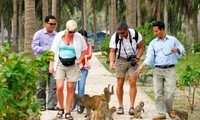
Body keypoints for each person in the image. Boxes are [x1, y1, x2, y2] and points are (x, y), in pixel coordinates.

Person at [136, 21, 185, 120]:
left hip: (170, 69)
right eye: (154, 31)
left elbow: (182, 48)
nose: (155, 33)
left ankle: (170, 110)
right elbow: (149, 58)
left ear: (162, 30)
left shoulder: (172, 39)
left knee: (170, 93)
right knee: (158, 93)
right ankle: (161, 113)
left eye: (156, 31)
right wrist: (142, 66)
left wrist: (178, 49)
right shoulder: (153, 43)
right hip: (157, 70)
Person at [49, 20, 87, 120]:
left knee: (70, 88)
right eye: (70, 32)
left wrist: (80, 60)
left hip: (73, 64)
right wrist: (51, 65)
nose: (72, 34)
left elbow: (84, 49)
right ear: (66, 30)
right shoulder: (59, 36)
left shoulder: (78, 37)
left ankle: (68, 111)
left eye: (73, 32)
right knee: (59, 87)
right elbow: (52, 51)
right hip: (60, 63)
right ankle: (61, 108)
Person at [109, 21, 144, 115]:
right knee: (120, 82)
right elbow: (112, 51)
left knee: (132, 81)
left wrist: (137, 58)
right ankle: (120, 106)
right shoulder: (115, 37)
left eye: (122, 33)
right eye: (119, 33)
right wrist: (112, 62)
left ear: (127, 30)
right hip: (120, 59)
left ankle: (132, 107)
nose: (120, 35)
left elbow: (141, 47)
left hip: (133, 60)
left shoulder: (135, 34)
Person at [32, 15, 58, 111]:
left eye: (54, 24)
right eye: (51, 24)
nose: (53, 26)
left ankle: (52, 105)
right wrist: (46, 51)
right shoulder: (39, 34)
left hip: (54, 62)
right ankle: (41, 104)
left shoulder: (57, 35)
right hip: (42, 62)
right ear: (45, 23)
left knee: (53, 84)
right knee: (41, 85)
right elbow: (34, 46)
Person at [74, 29, 92, 112]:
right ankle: (71, 104)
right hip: (73, 68)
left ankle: (79, 105)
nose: (82, 40)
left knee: (81, 88)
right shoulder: (73, 44)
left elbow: (89, 55)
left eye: (84, 38)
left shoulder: (88, 45)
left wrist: (82, 56)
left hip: (83, 69)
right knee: (72, 88)